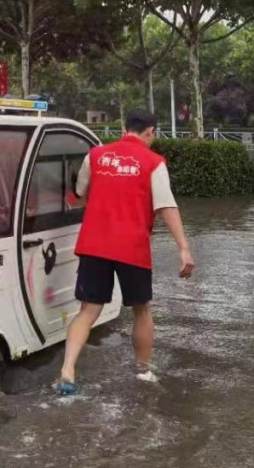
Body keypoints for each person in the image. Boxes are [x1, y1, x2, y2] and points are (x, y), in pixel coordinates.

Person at [57, 109, 195, 393]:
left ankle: (68, 370)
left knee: (87, 311)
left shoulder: (95, 155)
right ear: (151, 132)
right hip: (131, 248)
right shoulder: (154, 162)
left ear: (124, 127)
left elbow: (81, 194)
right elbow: (166, 207)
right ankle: (143, 371)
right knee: (141, 310)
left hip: (94, 244)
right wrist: (183, 248)